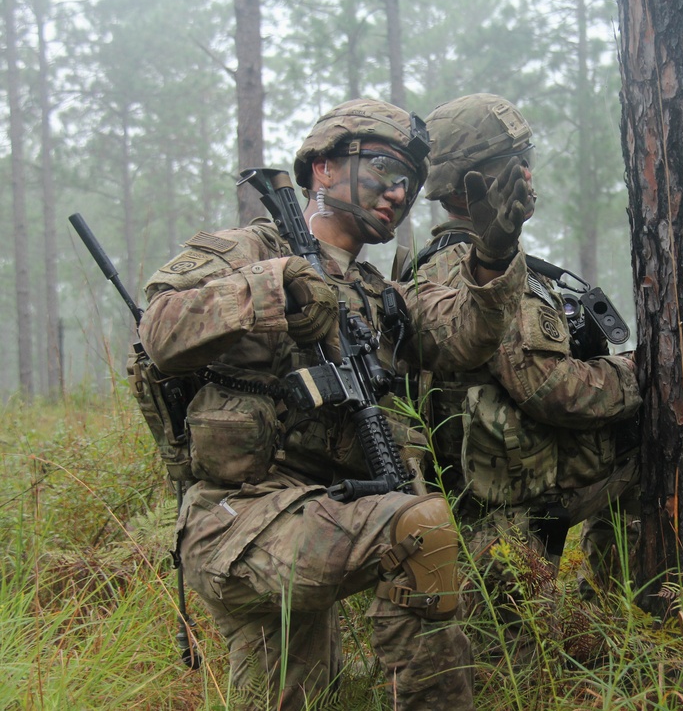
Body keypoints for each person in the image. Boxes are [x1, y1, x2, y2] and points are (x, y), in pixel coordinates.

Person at [138, 98, 530, 710]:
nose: (397, 193)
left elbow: (466, 335)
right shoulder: (242, 252)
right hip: (236, 522)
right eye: (381, 169)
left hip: (320, 517)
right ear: (322, 167)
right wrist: (274, 287)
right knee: (420, 529)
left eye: (409, 182)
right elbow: (158, 331)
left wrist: (495, 254)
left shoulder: (379, 296)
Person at [401, 94, 641, 612]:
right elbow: (552, 390)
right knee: (648, 450)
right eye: (516, 161)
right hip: (511, 511)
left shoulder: (435, 265)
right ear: (479, 181)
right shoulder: (487, 273)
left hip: (482, 500)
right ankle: (611, 608)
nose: (528, 172)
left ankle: (600, 619)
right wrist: (639, 374)